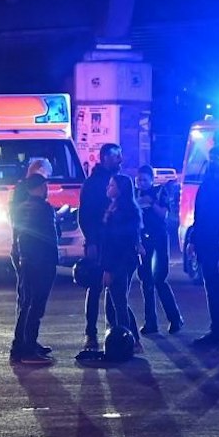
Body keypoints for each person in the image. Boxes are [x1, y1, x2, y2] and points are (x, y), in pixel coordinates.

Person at [81, 172, 142, 362]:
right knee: (115, 302)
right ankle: (124, 340)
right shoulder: (114, 208)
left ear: (120, 190)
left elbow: (118, 244)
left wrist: (108, 269)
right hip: (114, 261)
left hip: (118, 263)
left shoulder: (124, 212)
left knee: (119, 303)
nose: (108, 188)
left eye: (112, 186)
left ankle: (127, 342)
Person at [7, 173, 58, 365]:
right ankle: (27, 350)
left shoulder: (20, 208)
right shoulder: (41, 209)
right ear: (37, 188)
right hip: (39, 262)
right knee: (34, 305)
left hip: (29, 261)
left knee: (26, 303)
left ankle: (23, 344)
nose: (47, 190)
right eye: (45, 186)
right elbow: (41, 237)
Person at [78, 142, 123, 352]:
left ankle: (115, 333)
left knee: (115, 288)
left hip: (114, 245)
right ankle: (90, 334)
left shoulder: (119, 182)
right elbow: (85, 215)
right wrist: (92, 242)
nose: (120, 160)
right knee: (95, 288)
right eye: (116, 156)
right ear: (105, 157)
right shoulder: (92, 183)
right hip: (99, 242)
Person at [187, 146, 219, 346]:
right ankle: (217, 329)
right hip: (206, 243)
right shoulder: (206, 184)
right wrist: (193, 240)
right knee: (212, 287)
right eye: (212, 158)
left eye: (218, 159)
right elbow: (199, 215)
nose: (213, 162)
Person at [134, 165, 183, 334]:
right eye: (139, 179)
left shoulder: (160, 192)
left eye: (145, 180)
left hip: (159, 240)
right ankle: (151, 323)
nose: (142, 183)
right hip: (143, 242)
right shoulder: (133, 195)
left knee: (159, 279)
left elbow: (163, 214)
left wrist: (151, 202)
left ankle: (175, 319)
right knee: (146, 281)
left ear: (152, 180)